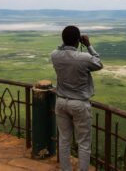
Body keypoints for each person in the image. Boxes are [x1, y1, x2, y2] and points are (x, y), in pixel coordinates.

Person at [51, 25, 103, 171]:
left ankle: (65, 169)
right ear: (77, 41)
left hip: (60, 102)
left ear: (63, 40)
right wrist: (88, 45)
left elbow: (62, 48)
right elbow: (99, 63)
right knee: (84, 143)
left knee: (64, 140)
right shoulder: (84, 58)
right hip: (79, 104)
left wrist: (67, 42)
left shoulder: (55, 55)